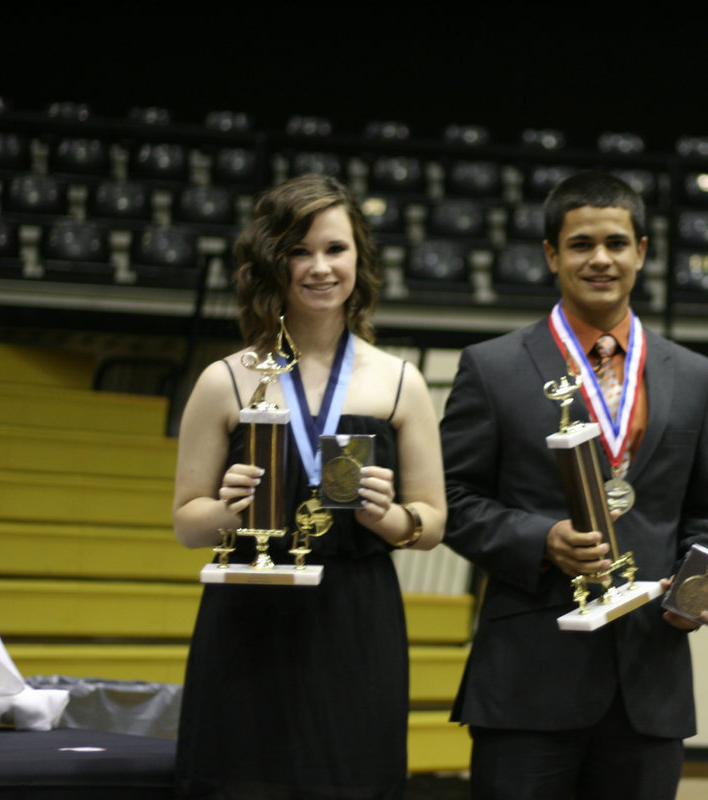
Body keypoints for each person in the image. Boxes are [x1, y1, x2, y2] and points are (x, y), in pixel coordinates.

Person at [439, 171, 708, 800]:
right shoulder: (492, 369)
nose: (600, 258)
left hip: (648, 681)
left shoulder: (694, 376)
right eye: (580, 244)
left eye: (615, 243)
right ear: (552, 255)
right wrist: (540, 538)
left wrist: (696, 589)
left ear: (642, 252)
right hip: (527, 678)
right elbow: (453, 501)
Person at [172, 174, 446, 799]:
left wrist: (391, 520)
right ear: (273, 262)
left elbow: (433, 523)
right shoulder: (227, 380)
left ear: (360, 259)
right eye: (300, 251)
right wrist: (226, 510)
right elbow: (187, 525)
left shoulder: (399, 381)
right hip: (248, 619)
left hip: (354, 619)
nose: (320, 268)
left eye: (335, 249)